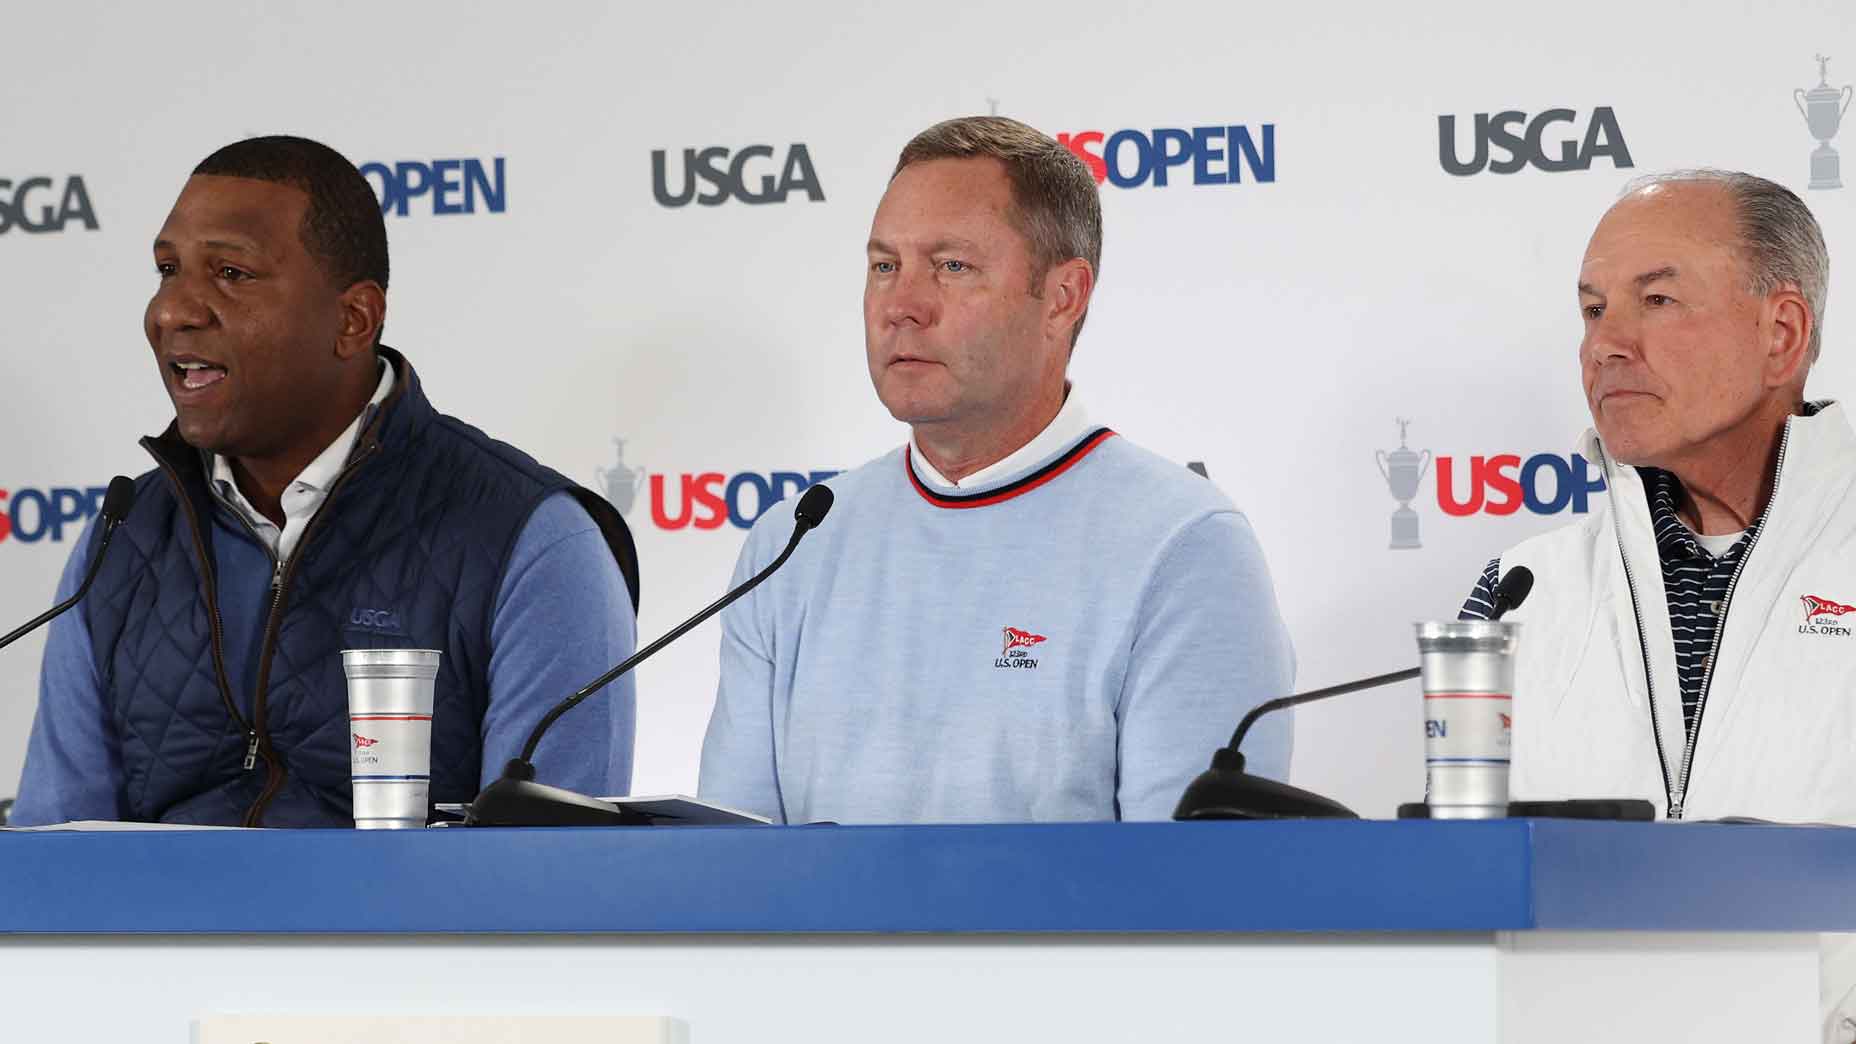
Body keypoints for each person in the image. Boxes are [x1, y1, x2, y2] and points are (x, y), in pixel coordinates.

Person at [11, 135, 640, 827]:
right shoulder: (121, 540)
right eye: (166, 270)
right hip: (154, 935)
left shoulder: (534, 539)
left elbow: (549, 886)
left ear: (353, 320)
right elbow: (54, 857)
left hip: (414, 937)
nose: (172, 311)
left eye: (230, 273)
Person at [699, 116, 1294, 824]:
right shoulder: (791, 543)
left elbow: (1194, 902)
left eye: (953, 267)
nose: (901, 307)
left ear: (1063, 297)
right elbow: (733, 877)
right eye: (885, 265)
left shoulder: (1185, 547)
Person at [1457, 169, 1856, 1042]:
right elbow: (1462, 890)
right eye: (1594, 310)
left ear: (1781, 332)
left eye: (1659, 300)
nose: (1607, 345)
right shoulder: (1518, 593)